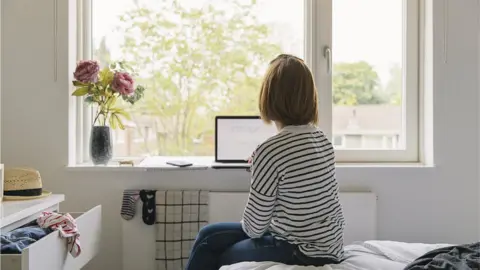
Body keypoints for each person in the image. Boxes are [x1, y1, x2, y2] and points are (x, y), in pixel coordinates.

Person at [185, 54, 345, 270]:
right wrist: (264, 164)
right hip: (330, 246)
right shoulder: (322, 140)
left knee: (215, 251)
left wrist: (262, 166)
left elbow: (254, 228)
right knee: (207, 235)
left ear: (269, 97)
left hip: (300, 250)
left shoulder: (270, 150)